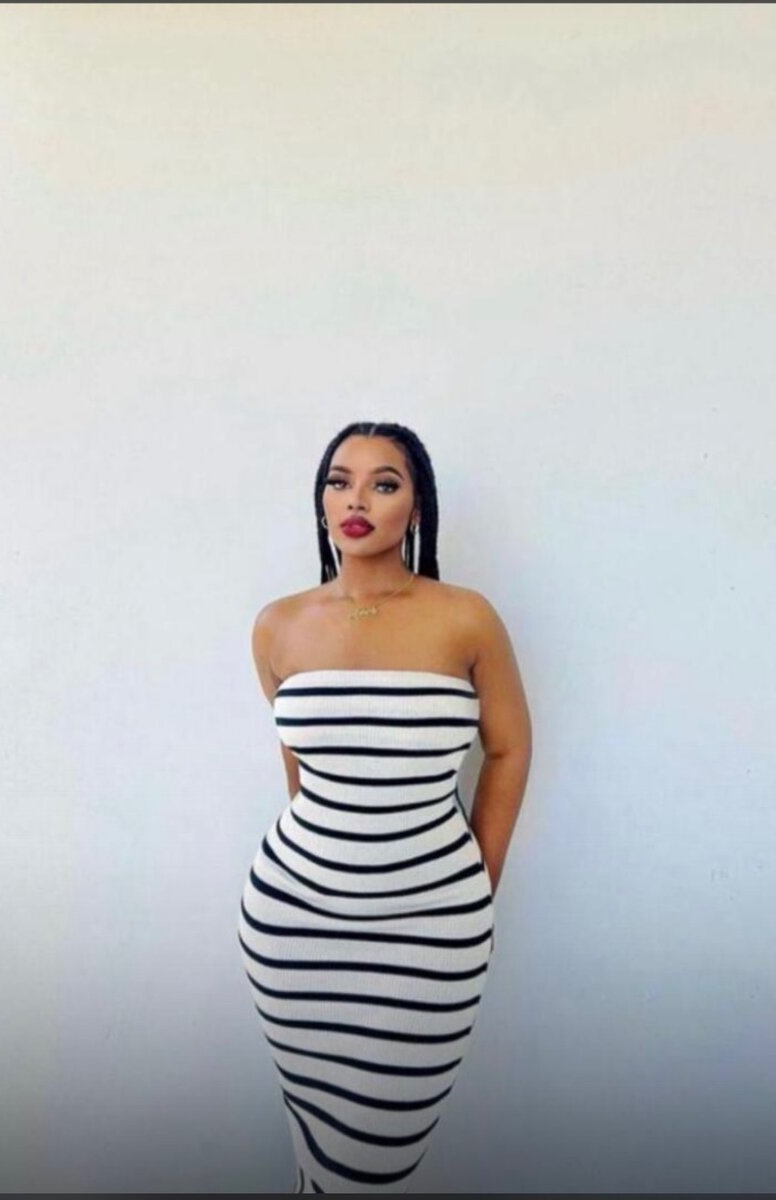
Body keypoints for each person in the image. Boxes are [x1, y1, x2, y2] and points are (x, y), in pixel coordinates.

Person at [238, 420, 532, 1193]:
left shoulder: (466, 618)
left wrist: (474, 886)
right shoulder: (277, 625)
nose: (357, 499)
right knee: (318, 1154)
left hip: (431, 929)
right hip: (295, 922)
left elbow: (509, 751)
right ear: (321, 502)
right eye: (339, 482)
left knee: (374, 1163)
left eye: (384, 483)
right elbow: (305, 771)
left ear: (417, 506)